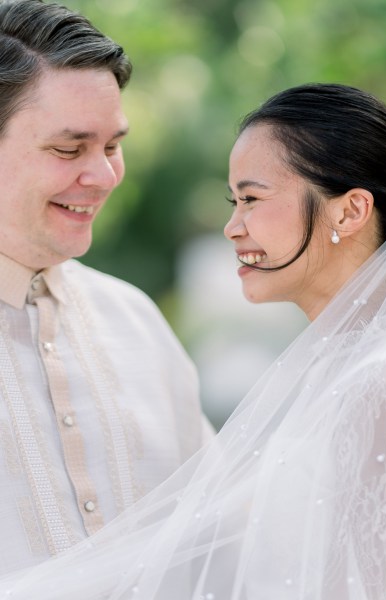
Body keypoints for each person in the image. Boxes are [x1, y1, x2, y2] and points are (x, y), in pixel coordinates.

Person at [1, 82, 386, 599]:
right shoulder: (331, 369)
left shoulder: (380, 380)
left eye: (252, 199)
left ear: (348, 212)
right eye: (67, 148)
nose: (232, 226)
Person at [0, 0, 213, 578]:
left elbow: (222, 533)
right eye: (68, 149)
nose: (104, 176)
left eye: (112, 146)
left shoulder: (136, 320)